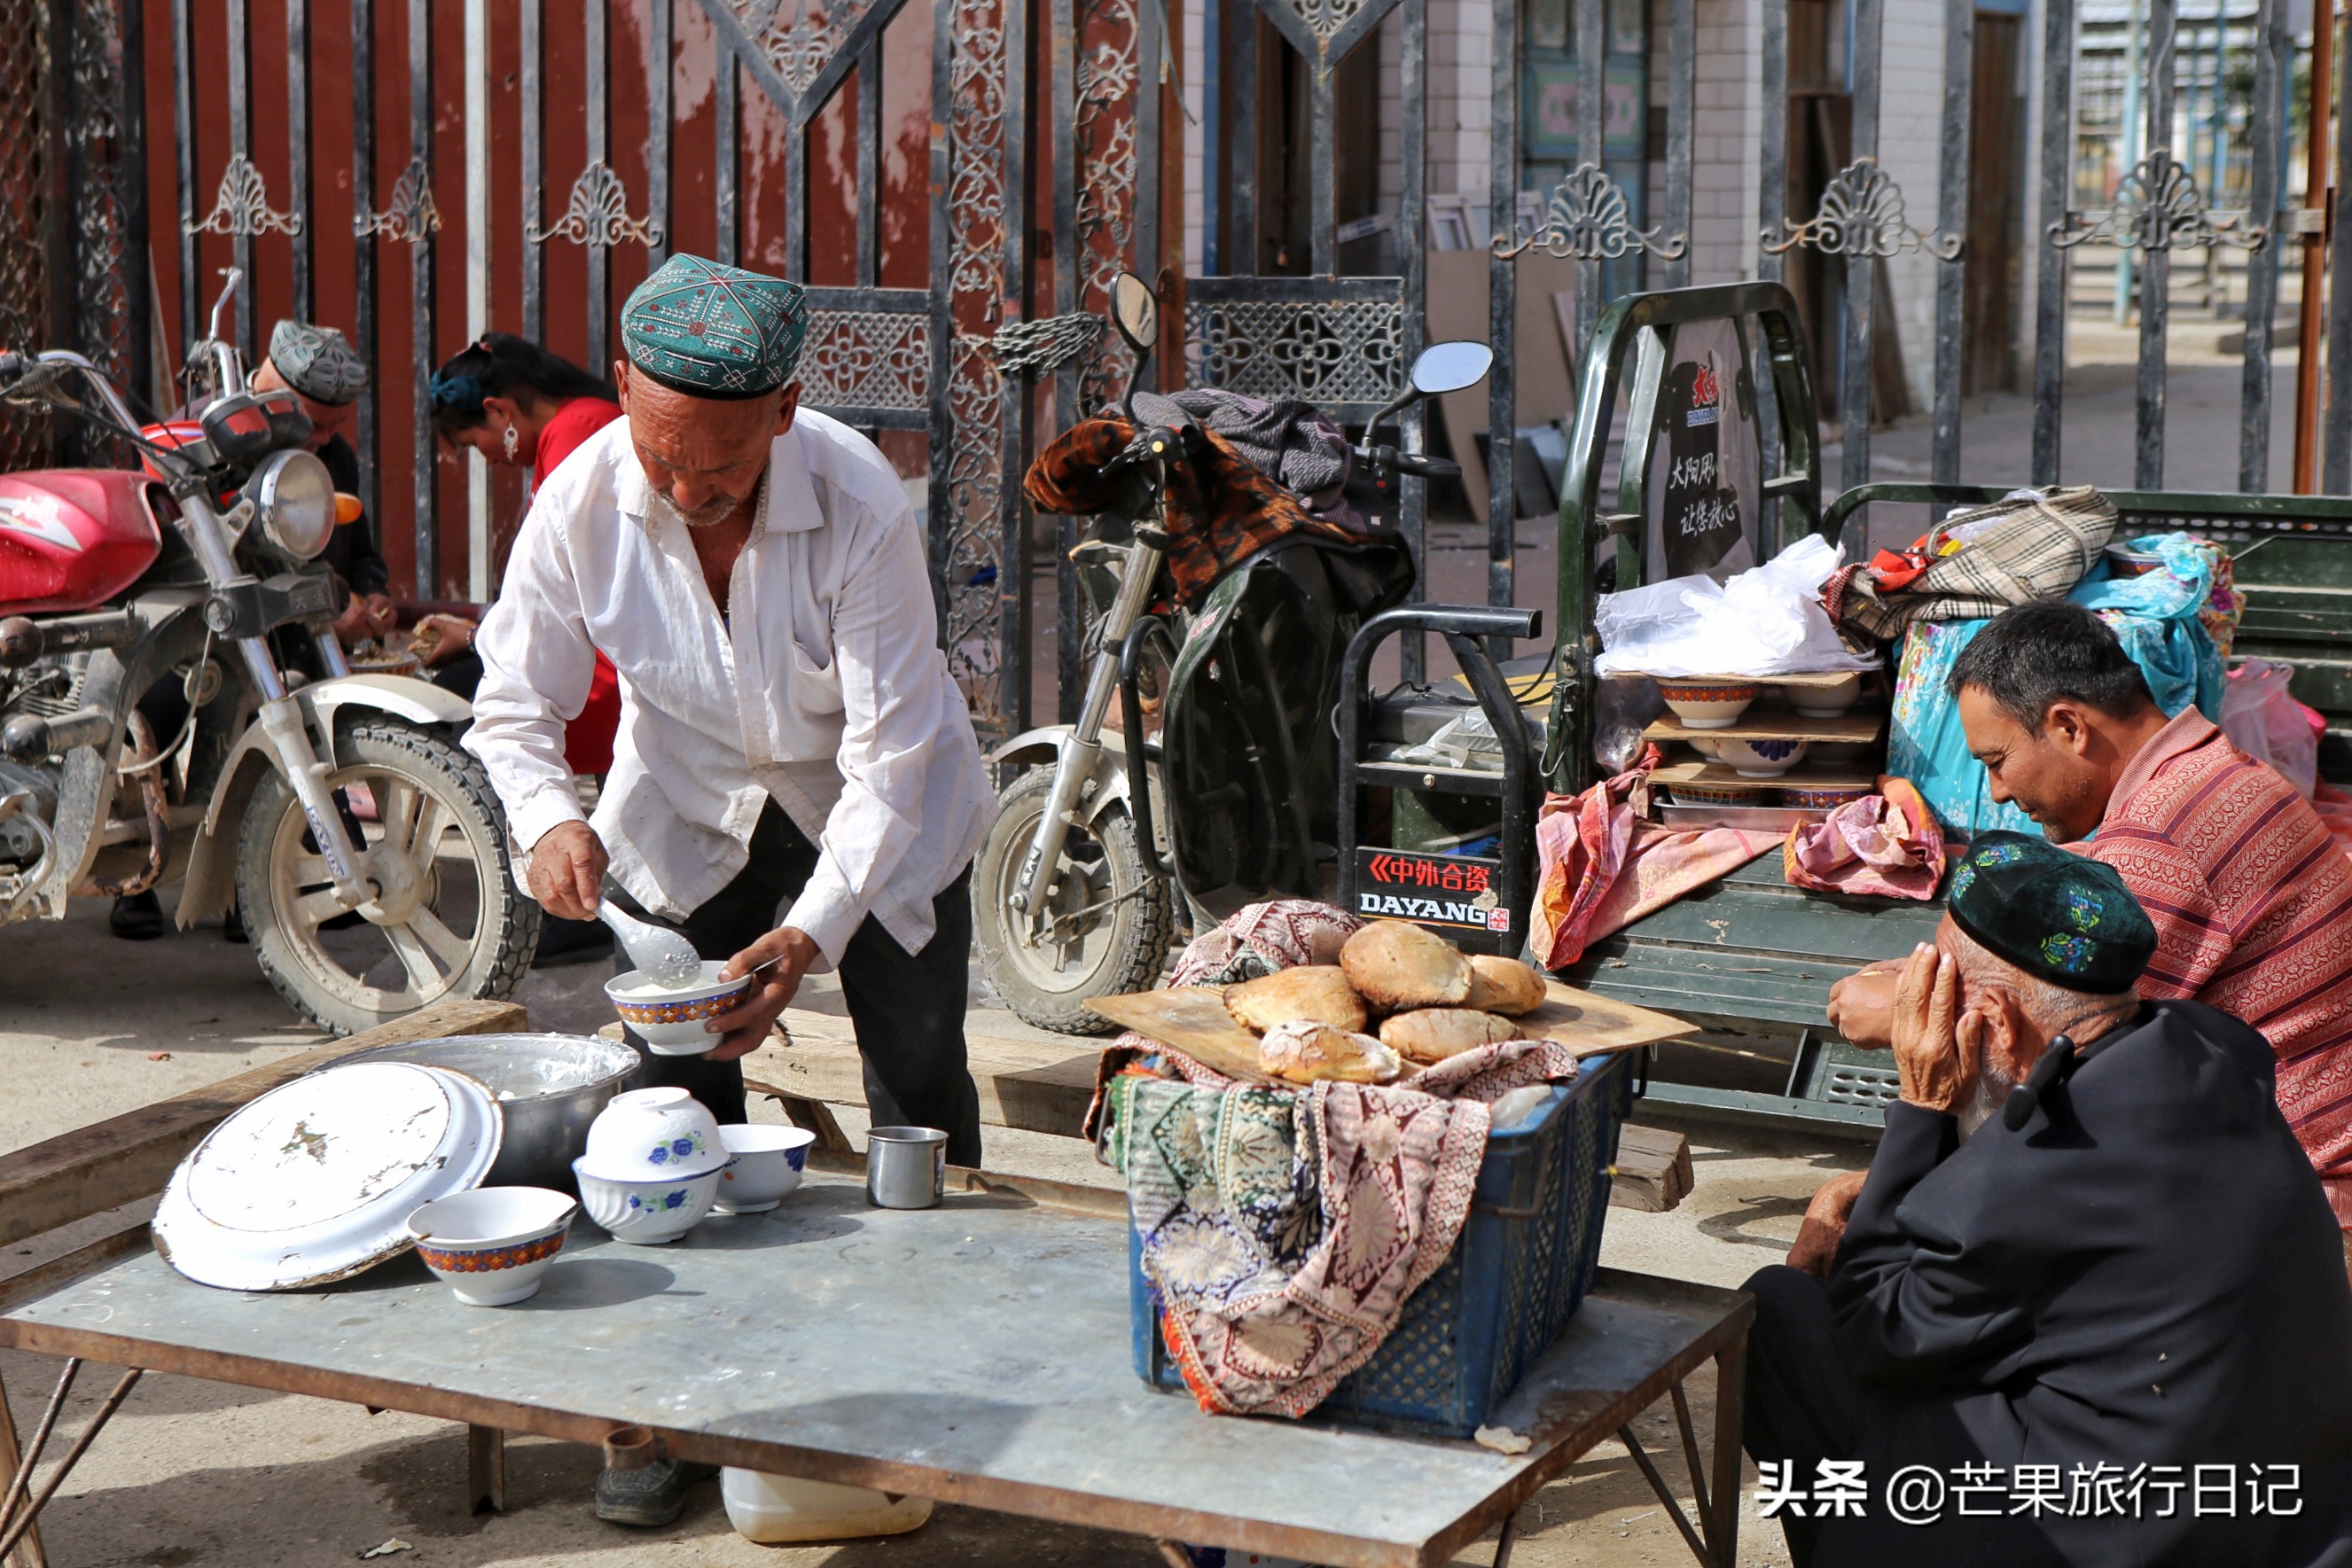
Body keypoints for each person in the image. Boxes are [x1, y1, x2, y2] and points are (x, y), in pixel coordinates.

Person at [461, 254, 992, 1525]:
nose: (690, 491)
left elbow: (887, 759)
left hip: (879, 816)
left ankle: (949, 1384)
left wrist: (808, 936)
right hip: (691, 809)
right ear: (627, 395)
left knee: (916, 1084)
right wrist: (547, 820)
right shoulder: (583, 497)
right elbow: (511, 702)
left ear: (787, 410)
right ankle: (673, 1407)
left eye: (724, 469)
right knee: (670, 1109)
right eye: (664, 456)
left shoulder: (861, 500)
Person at [1750, 833, 2352, 1566]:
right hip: (2276, 1507)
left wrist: (1920, 1107)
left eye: (1937, 989)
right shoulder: (2212, 1049)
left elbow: (1875, 1334)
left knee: (1778, 1314)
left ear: (1997, 1023)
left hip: (2121, 1534)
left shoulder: (2035, 1177)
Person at [1826, 600, 2352, 1227]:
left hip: (2304, 1205)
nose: (1996, 791)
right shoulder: (2215, 772)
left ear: (2068, 726)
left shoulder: (2158, 840)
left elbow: (2035, 1035)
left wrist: (1898, 1012)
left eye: (1995, 762)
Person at [111, 319, 390, 941]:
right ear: (269, 387)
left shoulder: (328, 455)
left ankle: (276, 882)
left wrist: (367, 592)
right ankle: (140, 881)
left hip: (289, 630)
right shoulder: (186, 437)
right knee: (148, 718)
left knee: (304, 708)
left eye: (332, 429)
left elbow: (357, 541)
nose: (320, 441)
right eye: (313, 422)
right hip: (191, 627)